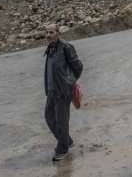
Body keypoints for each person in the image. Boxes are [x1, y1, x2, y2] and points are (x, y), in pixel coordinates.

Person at [43, 24, 83, 161]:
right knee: (49, 117)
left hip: (63, 91)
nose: (48, 35)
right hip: (51, 91)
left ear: (58, 33)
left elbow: (78, 66)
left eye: (51, 32)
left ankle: (63, 149)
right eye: (47, 32)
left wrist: (70, 83)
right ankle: (67, 141)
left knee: (62, 122)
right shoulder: (50, 48)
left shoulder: (66, 47)